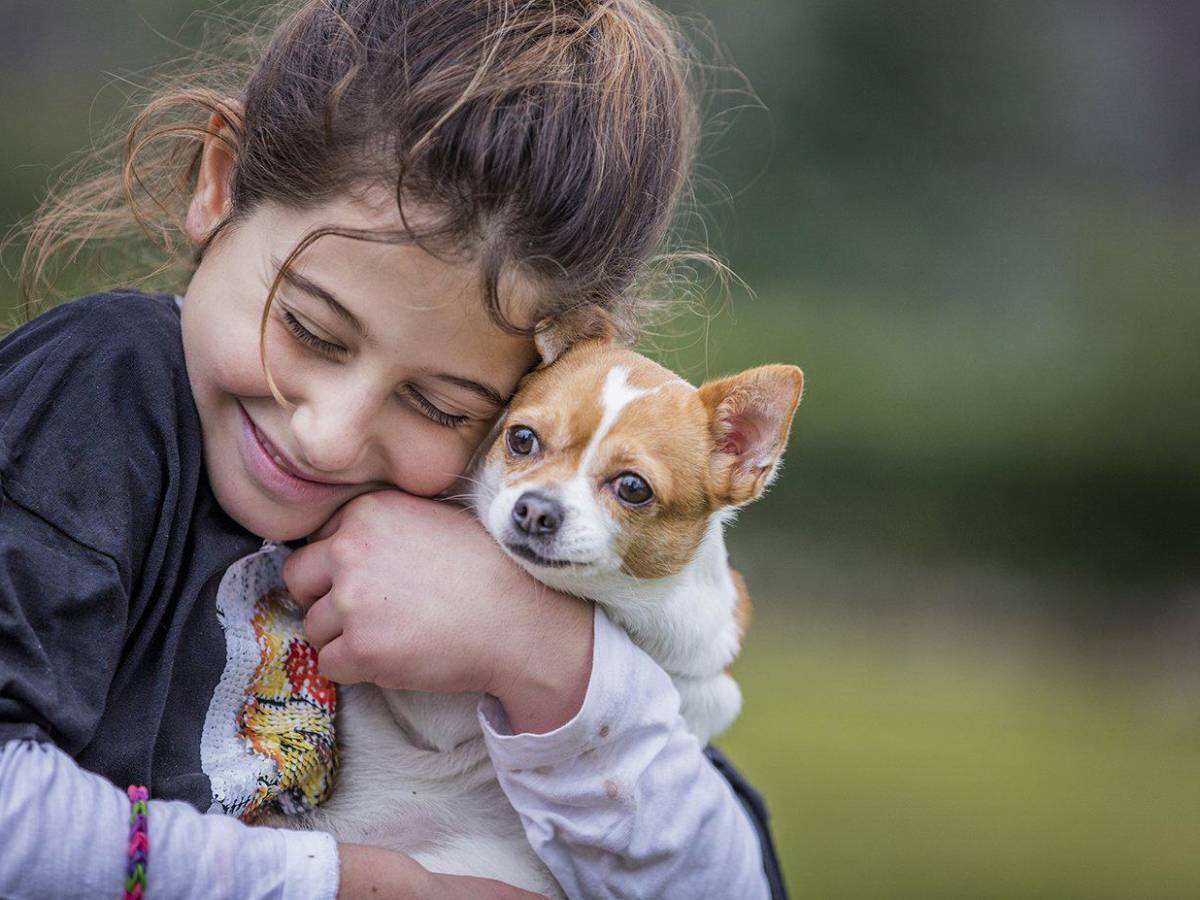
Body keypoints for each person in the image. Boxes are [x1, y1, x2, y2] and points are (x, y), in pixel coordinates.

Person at [0, 1, 786, 898]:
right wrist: (352, 886)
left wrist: (542, 657)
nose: (327, 434)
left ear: (550, 371)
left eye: (437, 403)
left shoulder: (495, 532)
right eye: (309, 329)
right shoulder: (104, 391)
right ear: (219, 182)